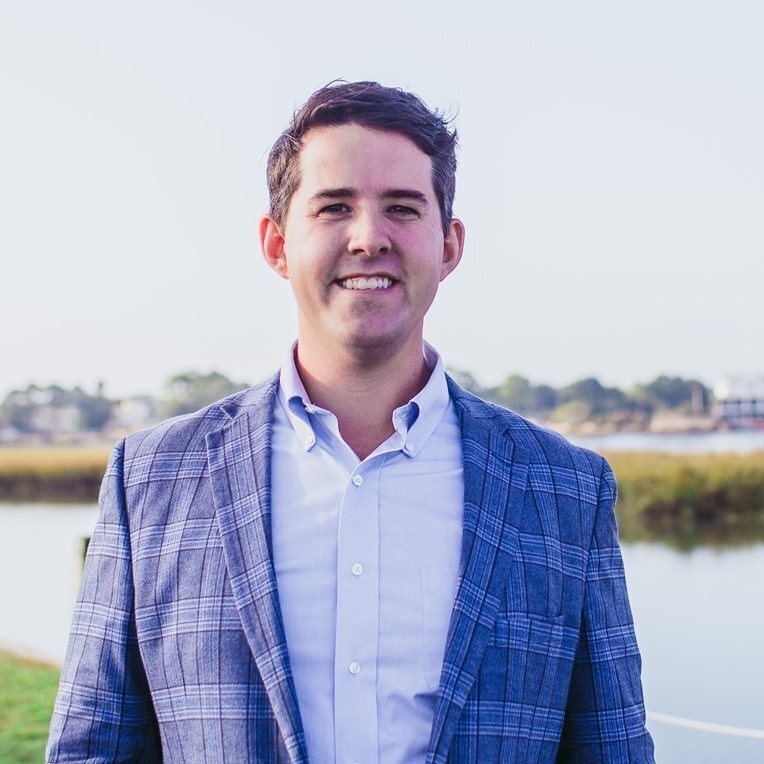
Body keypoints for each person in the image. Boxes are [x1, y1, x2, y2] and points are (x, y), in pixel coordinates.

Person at [47, 81, 654, 763]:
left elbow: (615, 752)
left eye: (402, 208)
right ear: (277, 244)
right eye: (334, 207)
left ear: (449, 246)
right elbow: (91, 750)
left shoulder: (566, 488)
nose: (369, 238)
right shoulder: (151, 478)